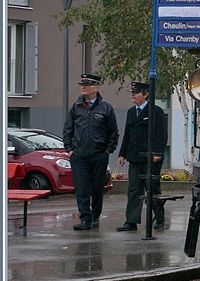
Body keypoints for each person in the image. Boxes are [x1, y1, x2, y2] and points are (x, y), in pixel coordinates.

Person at [62, 73, 119, 230]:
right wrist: (70, 150)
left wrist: (108, 151)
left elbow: (113, 132)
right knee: (81, 188)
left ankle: (95, 217)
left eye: (86, 84)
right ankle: (85, 218)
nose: (82, 87)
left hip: (98, 154)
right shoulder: (76, 107)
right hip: (79, 155)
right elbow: (68, 131)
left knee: (97, 188)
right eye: (81, 84)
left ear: (96, 87)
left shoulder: (105, 107)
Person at [116, 81, 169, 231]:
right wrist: (122, 154)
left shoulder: (155, 111)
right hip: (134, 157)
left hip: (150, 158)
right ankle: (131, 221)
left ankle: (159, 218)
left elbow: (162, 134)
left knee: (152, 188)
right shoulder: (131, 112)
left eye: (136, 93)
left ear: (145, 95)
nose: (133, 95)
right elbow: (127, 134)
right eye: (132, 93)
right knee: (133, 190)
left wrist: (158, 153)